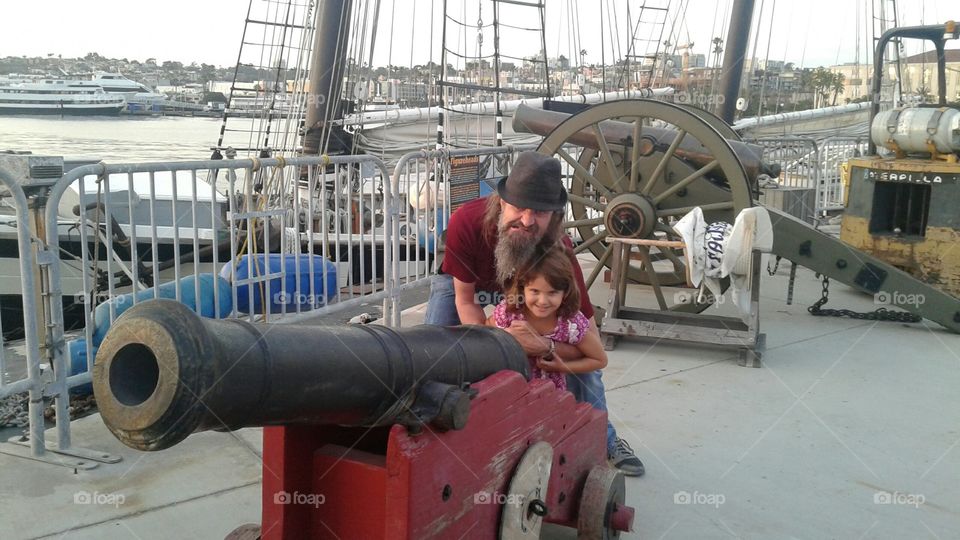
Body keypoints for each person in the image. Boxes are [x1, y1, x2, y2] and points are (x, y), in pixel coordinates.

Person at [424, 151, 645, 476]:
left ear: (554, 217)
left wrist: (546, 347)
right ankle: (430, 432)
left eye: (539, 212)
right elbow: (466, 301)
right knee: (434, 353)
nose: (527, 221)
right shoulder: (465, 223)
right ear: (501, 202)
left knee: (585, 374)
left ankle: (604, 437)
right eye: (519, 208)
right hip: (469, 284)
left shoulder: (560, 252)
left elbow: (589, 339)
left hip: (531, 293)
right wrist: (499, 343)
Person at [487, 244, 607, 391]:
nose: (543, 301)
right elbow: (487, 330)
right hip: (511, 392)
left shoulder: (569, 324)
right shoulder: (510, 314)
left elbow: (599, 359)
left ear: (565, 293)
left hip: (550, 397)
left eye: (552, 293)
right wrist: (506, 336)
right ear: (522, 289)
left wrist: (562, 366)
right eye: (535, 291)